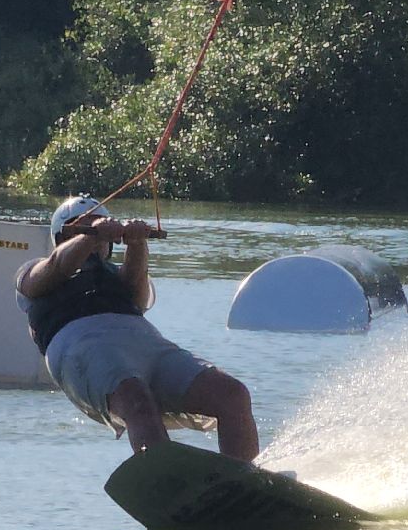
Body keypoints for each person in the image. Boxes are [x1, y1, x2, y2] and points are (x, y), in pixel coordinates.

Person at [15, 195, 260, 461]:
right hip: (81, 347)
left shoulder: (117, 275)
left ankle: (245, 478)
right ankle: (166, 481)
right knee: (136, 401)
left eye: (100, 230)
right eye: (81, 228)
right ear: (61, 237)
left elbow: (137, 296)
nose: (96, 238)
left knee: (232, 394)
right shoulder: (32, 272)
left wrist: (136, 243)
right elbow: (56, 266)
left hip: (143, 342)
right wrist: (89, 237)